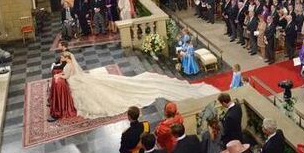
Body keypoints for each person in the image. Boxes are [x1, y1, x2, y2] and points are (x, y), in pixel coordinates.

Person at [54, 52, 219, 119]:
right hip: (80, 80)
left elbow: (68, 75)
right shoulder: (70, 64)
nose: (62, 59)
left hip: (78, 81)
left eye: (63, 58)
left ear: (67, 58)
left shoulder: (69, 66)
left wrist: (60, 75)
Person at [48, 52, 77, 121]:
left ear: (66, 58)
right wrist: (58, 75)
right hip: (66, 76)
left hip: (69, 79)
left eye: (62, 57)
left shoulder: (70, 65)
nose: (60, 59)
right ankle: (55, 99)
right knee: (56, 79)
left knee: (58, 83)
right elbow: (64, 72)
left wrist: (58, 75)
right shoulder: (68, 63)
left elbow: (66, 76)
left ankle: (60, 104)